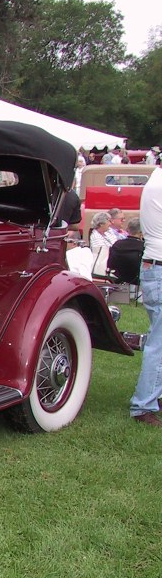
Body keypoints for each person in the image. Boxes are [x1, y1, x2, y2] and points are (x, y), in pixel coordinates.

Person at [129, 168, 162, 425]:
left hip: (153, 265)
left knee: (157, 338)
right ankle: (144, 404)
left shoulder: (153, 181)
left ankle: (152, 396)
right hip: (159, 265)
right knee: (158, 343)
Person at [88, 211, 113, 278]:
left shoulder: (109, 233)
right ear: (101, 224)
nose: (110, 223)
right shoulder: (95, 236)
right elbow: (102, 253)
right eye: (109, 221)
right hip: (101, 264)